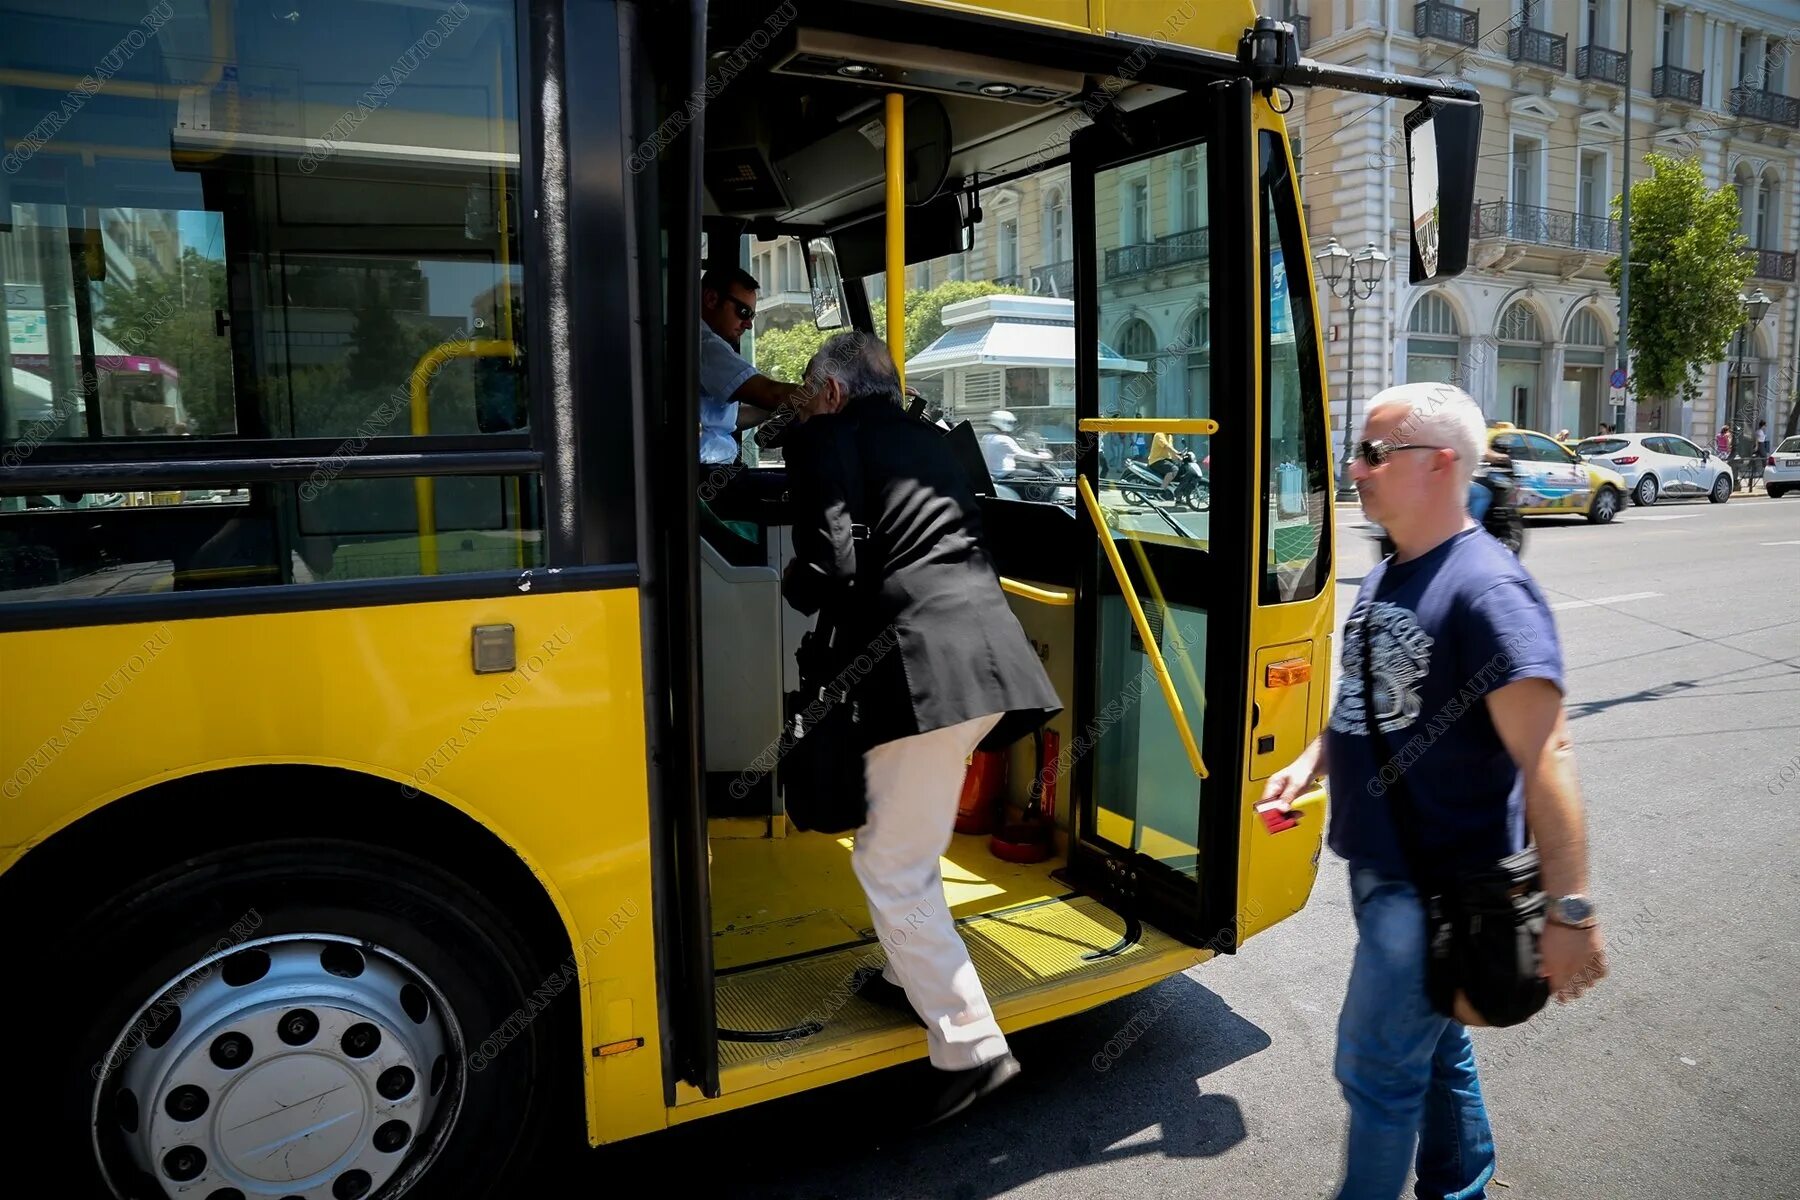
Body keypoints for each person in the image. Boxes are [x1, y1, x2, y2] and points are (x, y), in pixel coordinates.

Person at [1260, 382, 1607, 1200]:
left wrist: (1570, 913)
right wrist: (1314, 761)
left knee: (1377, 1073)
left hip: (1436, 885)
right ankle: (1461, 1187)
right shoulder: (1390, 576)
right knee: (1438, 1045)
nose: (1357, 468)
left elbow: (1548, 754)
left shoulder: (1487, 591)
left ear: (1440, 463)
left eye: (1376, 453)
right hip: (1383, 871)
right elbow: (1372, 702)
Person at [781, 332, 1062, 1123]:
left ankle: (972, 1047)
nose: (807, 403)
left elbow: (829, 567)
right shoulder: (937, 440)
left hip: (921, 673)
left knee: (889, 861)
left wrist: (791, 584)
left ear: (833, 392)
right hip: (990, 664)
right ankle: (910, 976)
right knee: (911, 834)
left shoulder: (824, 437)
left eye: (809, 390)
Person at [698, 266, 805, 468]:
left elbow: (727, 418)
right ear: (712, 299)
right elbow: (772, 393)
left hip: (713, 469)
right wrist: (821, 396)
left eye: (752, 316)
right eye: (743, 312)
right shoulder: (706, 346)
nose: (748, 324)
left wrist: (773, 410)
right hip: (707, 472)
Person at [979, 409, 1053, 480]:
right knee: (1045, 478)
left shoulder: (986, 438)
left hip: (995, 474)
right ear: (1003, 422)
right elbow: (1021, 455)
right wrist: (1043, 457)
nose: (1012, 425)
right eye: (1010, 423)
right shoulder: (1003, 439)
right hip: (1005, 474)